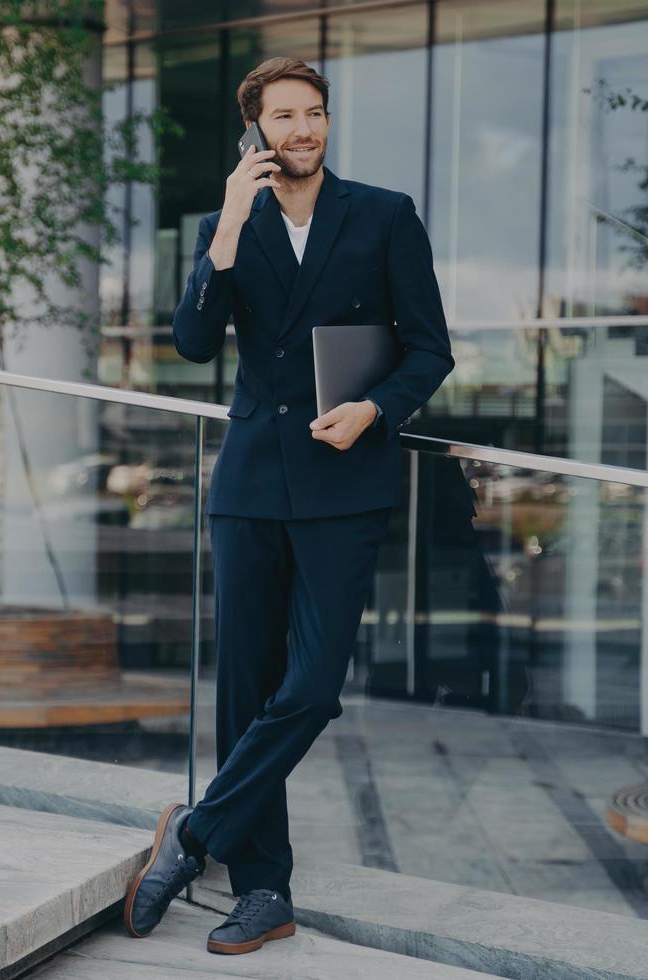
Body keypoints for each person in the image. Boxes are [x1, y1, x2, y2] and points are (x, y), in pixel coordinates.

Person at [123, 57, 453, 954]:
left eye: (314, 114)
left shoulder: (384, 215)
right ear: (255, 130)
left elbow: (430, 350)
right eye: (284, 116)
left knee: (310, 687)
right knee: (245, 692)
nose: (302, 130)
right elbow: (192, 342)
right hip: (250, 484)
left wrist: (377, 407)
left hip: (346, 481)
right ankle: (265, 889)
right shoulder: (232, 223)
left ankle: (192, 838)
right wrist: (227, 224)